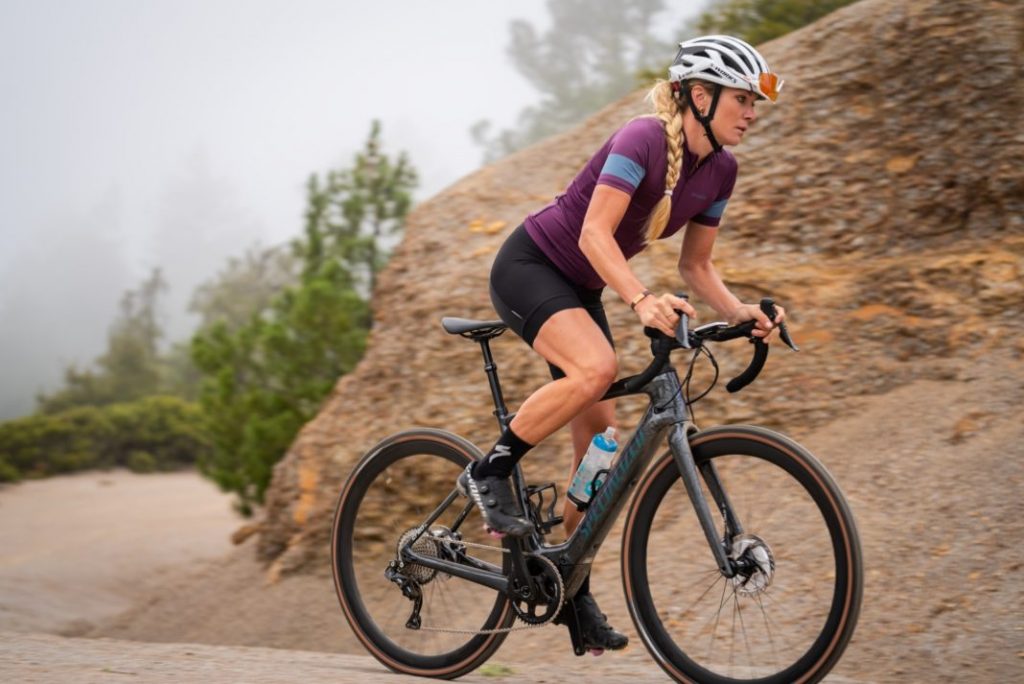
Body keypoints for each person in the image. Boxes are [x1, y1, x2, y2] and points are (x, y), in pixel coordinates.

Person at [458, 35, 787, 652]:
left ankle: (569, 587)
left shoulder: (722, 169)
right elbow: (594, 234)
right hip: (531, 267)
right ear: (700, 96)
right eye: (742, 99)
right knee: (596, 367)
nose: (751, 113)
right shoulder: (642, 139)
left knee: (600, 454)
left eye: (754, 103)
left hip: (583, 287)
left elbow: (697, 266)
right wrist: (640, 300)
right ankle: (488, 470)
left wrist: (742, 313)